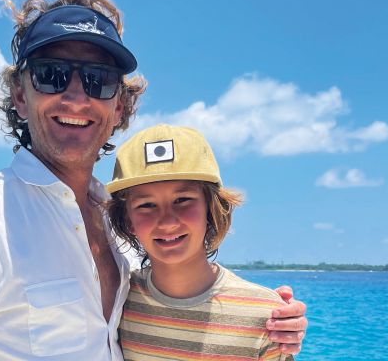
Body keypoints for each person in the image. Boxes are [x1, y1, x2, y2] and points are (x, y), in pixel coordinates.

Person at [0, 0, 307, 361]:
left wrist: (269, 321)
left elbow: (186, 303)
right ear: (20, 95)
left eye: (99, 81)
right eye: (51, 74)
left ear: (120, 109)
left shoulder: (121, 228)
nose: (76, 97)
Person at [106, 124, 294, 360]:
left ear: (211, 208)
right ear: (127, 219)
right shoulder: (118, 299)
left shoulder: (265, 314)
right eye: (146, 205)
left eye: (183, 200)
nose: (167, 221)